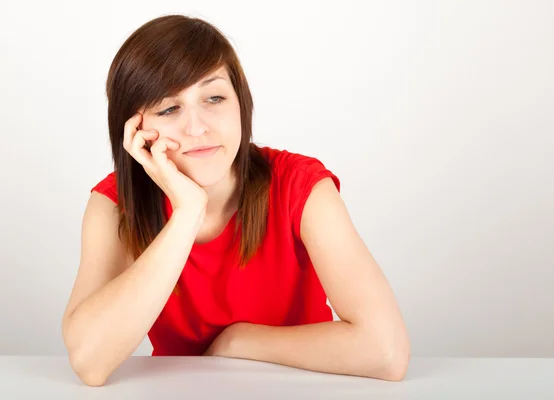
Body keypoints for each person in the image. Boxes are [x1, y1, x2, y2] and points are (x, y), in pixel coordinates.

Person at [61, 14, 410, 387]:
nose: (198, 127)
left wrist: (239, 341)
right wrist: (187, 213)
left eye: (214, 98)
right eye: (168, 108)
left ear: (240, 104)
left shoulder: (301, 187)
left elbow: (386, 352)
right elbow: (89, 361)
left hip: (307, 386)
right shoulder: (115, 204)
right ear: (135, 129)